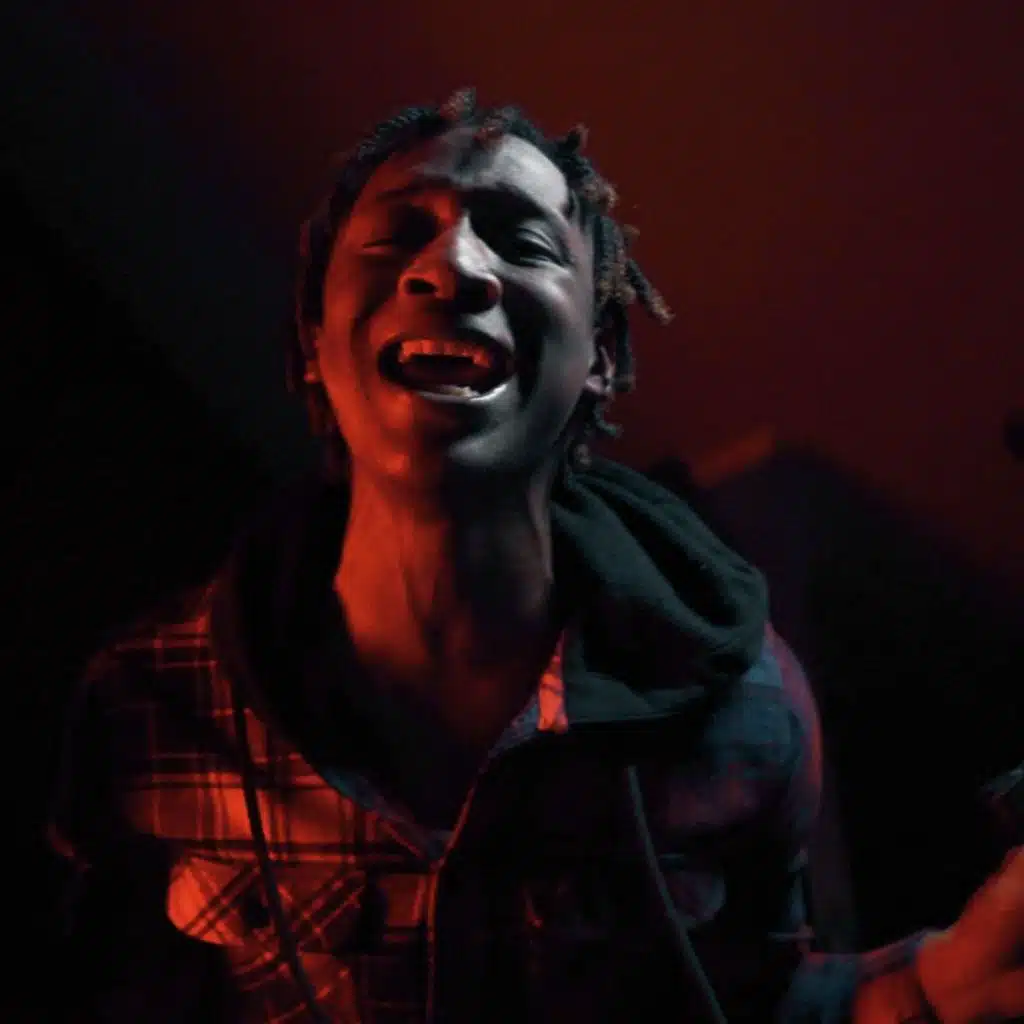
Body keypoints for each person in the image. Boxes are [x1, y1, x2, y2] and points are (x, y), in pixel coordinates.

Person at [49, 88, 1024, 1023]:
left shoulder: (747, 712)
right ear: (313, 337)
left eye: (522, 242)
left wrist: (918, 999)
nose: (453, 268)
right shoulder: (144, 708)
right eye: (395, 235)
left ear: (599, 355)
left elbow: (756, 993)